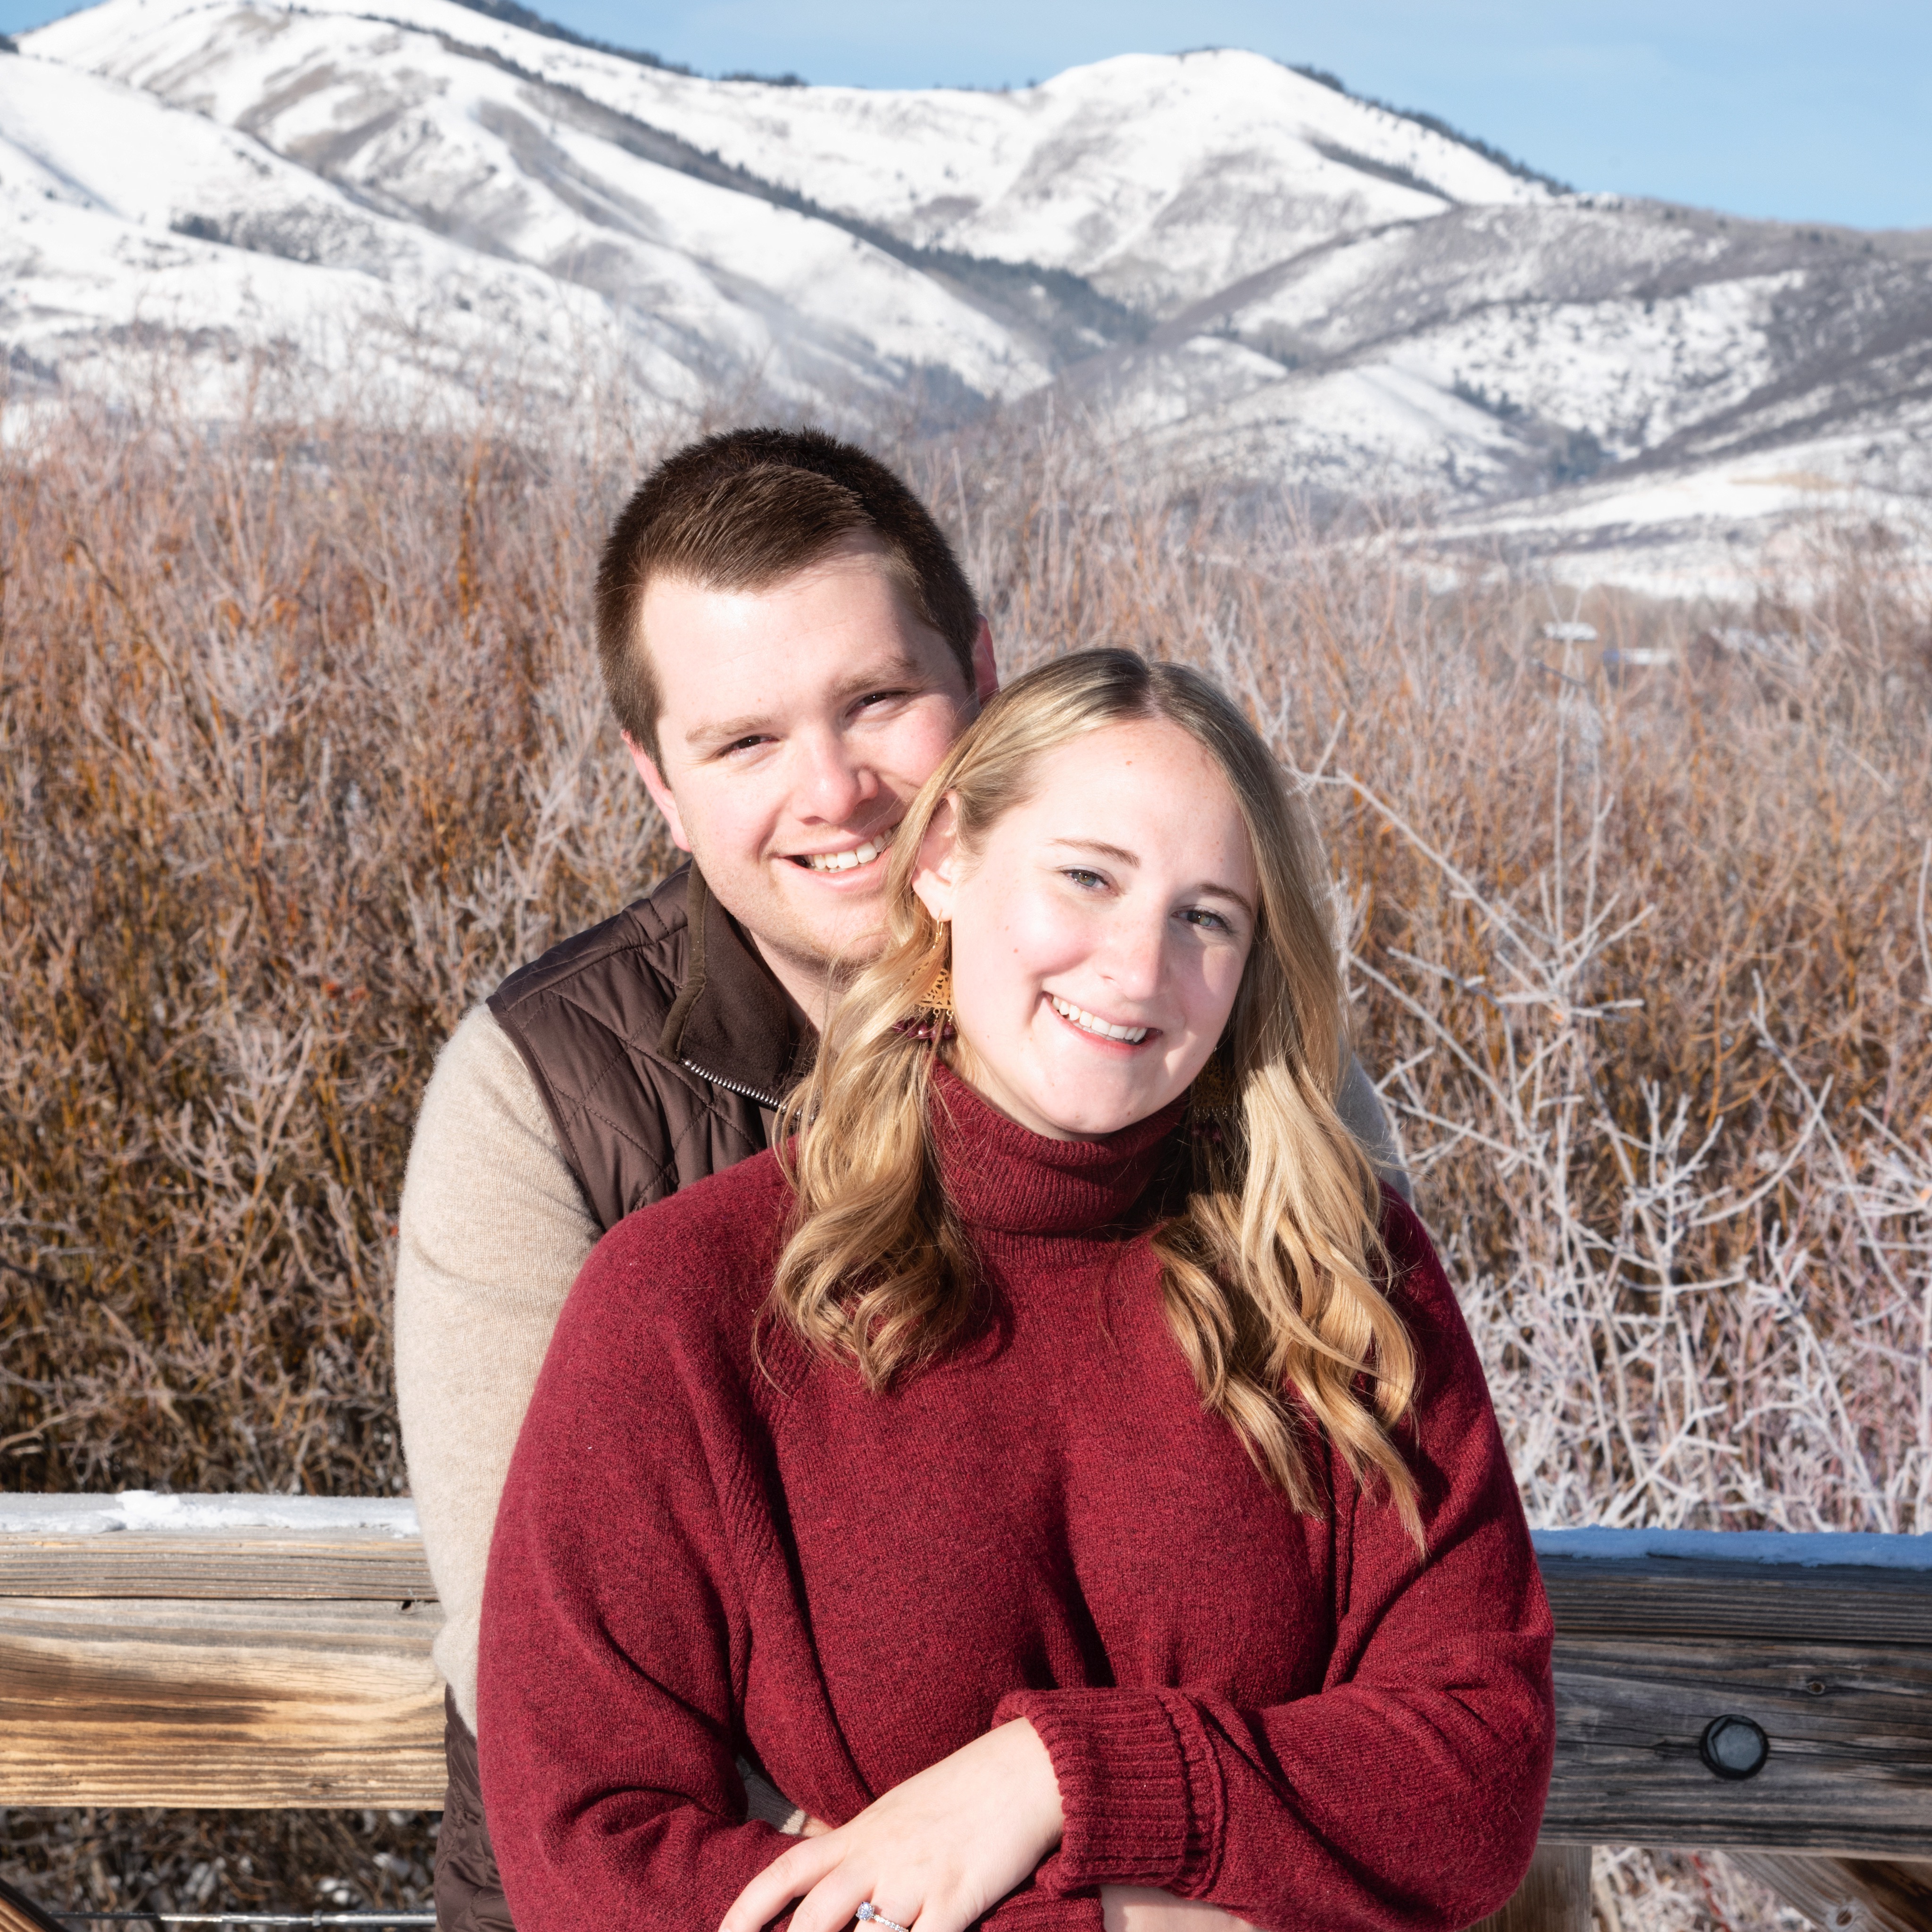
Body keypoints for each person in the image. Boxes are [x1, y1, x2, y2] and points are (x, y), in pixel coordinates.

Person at [394, 430, 1410, 1932]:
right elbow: (546, 1671)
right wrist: (1027, 1888)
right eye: (744, 744)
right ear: (656, 783)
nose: (837, 790)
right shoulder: (544, 1097)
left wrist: (1055, 1792)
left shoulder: (1214, 1045)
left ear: (982, 681)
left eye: (877, 702)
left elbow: (1393, 1637)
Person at [476, 650, 1555, 1932]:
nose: (1140, 970)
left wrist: (1058, 1774)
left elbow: (1475, 1777)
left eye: (1206, 917)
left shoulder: (1336, 1271)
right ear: (944, 864)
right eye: (1088, 879)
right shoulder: (688, 1305)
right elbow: (586, 1854)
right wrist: (1126, 1924)